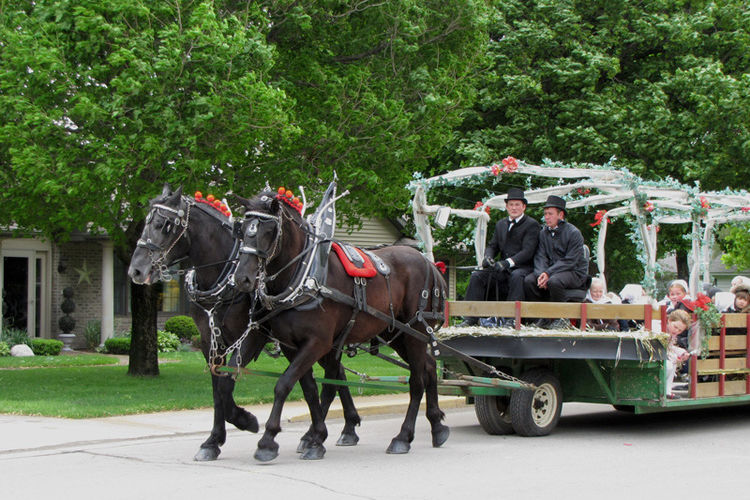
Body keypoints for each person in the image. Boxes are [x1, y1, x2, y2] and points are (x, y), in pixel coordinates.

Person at [461, 188, 540, 326]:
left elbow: (528, 251)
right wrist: (488, 258)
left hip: (523, 268)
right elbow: (493, 246)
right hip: (503, 268)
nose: (514, 208)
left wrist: (507, 263)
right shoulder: (501, 224)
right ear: (506, 206)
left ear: (524, 207)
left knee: (517, 276)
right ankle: (470, 318)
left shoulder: (532, 225)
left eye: (517, 205)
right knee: (477, 276)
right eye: (511, 204)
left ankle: (511, 319)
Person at [523, 195, 588, 327]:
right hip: (552, 272)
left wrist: (548, 273)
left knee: (555, 281)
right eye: (545, 214)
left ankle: (561, 318)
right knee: (529, 281)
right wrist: (541, 274)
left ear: (560, 215)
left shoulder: (574, 233)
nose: (547, 217)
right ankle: (541, 318)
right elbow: (540, 256)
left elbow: (570, 260)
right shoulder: (543, 233)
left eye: (550, 214)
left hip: (574, 272)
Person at [665, 309, 691, 399]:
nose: (677, 331)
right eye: (675, 327)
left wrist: (682, 352)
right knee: (668, 364)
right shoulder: (659, 327)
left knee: (672, 361)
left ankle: (667, 391)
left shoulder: (671, 333)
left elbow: (669, 347)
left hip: (663, 355)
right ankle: (664, 390)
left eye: (680, 330)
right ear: (669, 320)